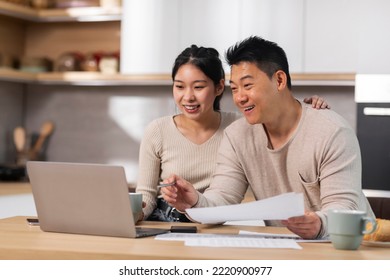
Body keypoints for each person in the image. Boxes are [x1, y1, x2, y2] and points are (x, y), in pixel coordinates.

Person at [161, 36, 374, 239]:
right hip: (286, 246)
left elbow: (344, 208)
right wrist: (194, 202)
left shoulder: (330, 131)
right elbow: (222, 199)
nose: (240, 97)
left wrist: (319, 223)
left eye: (247, 85)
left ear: (279, 80)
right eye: (234, 89)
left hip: (351, 247)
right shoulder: (237, 136)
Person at [137, 44, 329, 223]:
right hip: (167, 221)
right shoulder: (158, 130)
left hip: (217, 220)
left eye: (198, 87)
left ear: (219, 87)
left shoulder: (242, 127)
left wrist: (308, 110)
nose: (188, 97)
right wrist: (135, 212)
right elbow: (146, 195)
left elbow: (281, 117)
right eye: (179, 86)